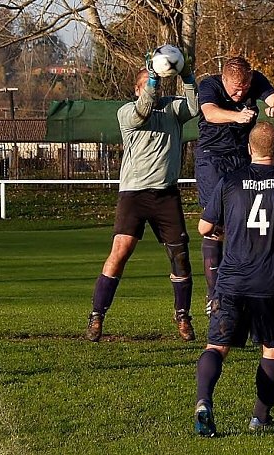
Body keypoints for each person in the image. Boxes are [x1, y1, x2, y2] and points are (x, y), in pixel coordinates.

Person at [193, 122, 274, 437]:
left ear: (249, 149)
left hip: (232, 281)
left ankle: (203, 401)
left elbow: (203, 228)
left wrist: (224, 232)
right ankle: (260, 419)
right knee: (271, 349)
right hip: (270, 283)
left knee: (216, 345)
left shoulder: (229, 182)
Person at [85, 51, 199, 342]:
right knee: (120, 251)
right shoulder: (126, 112)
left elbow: (195, 108)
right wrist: (152, 79)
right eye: (148, 84)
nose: (155, 88)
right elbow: (143, 110)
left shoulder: (173, 109)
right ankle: (97, 315)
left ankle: (183, 315)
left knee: (180, 257)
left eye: (158, 82)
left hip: (166, 195)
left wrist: (186, 75)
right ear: (137, 89)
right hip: (133, 194)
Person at [194, 56, 274, 314]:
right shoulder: (209, 85)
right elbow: (210, 113)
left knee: (242, 223)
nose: (241, 92)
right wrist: (236, 117)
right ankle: (214, 296)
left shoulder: (255, 80)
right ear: (224, 79)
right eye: (235, 87)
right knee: (214, 225)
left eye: (245, 88)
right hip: (212, 158)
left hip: (243, 157)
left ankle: (240, 285)